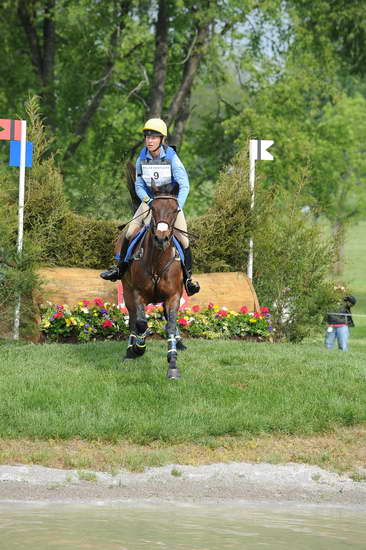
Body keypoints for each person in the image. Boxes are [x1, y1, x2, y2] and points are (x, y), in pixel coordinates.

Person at [100, 118, 200, 296]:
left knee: (184, 240)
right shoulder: (142, 157)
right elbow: (139, 185)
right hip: (150, 202)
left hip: (170, 205)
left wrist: (177, 207)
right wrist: (148, 201)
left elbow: (184, 185)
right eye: (147, 137)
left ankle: (189, 280)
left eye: (154, 137)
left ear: (162, 139)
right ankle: (119, 269)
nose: (149, 140)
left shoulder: (172, 158)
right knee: (130, 232)